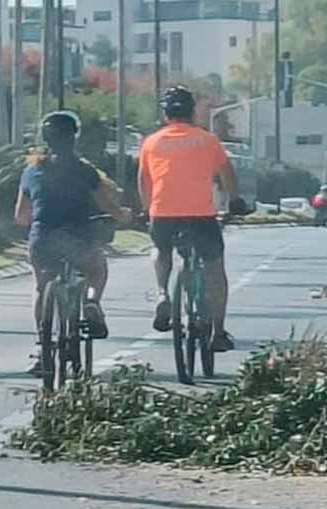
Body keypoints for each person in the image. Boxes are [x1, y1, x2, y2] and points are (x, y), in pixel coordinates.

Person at [14, 110, 128, 376]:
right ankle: (92, 302)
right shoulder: (85, 171)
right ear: (74, 138)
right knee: (97, 267)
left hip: (42, 241)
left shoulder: (32, 171)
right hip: (79, 239)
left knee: (42, 286)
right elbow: (108, 206)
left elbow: (20, 216)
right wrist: (124, 216)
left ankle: (44, 347)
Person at [138, 85, 244, 351]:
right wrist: (234, 201)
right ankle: (218, 332)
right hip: (200, 215)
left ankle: (162, 293)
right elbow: (227, 173)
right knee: (215, 271)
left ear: (165, 114)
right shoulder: (207, 140)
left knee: (161, 249)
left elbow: (143, 179)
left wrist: (146, 209)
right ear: (192, 112)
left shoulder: (152, 142)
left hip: (162, 213)